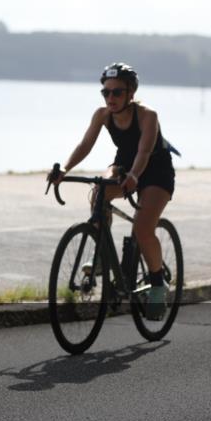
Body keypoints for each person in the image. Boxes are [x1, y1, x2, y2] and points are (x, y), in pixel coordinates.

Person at [50, 62, 177, 319]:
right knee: (99, 192)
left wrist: (133, 177)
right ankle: (101, 257)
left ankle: (157, 285)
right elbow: (85, 144)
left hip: (156, 172)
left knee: (143, 229)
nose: (111, 98)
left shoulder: (147, 115)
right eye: (105, 92)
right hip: (124, 166)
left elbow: (144, 152)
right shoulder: (102, 115)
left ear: (131, 92)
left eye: (117, 92)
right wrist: (64, 169)